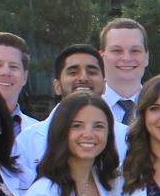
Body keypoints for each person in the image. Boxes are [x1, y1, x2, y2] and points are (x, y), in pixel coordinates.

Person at [15, 44, 109, 177]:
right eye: (73, 72)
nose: (83, 78)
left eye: (92, 72)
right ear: (57, 86)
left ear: (104, 85)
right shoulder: (28, 140)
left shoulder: (125, 137)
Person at [100, 17, 150, 131]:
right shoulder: (85, 109)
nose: (126, 58)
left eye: (135, 51)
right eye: (117, 50)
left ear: (147, 57)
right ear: (101, 57)